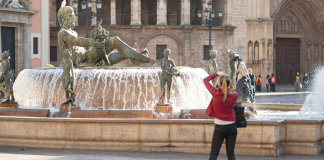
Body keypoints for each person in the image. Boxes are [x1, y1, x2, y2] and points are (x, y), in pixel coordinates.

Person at [204, 72, 238, 160]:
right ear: (230, 84)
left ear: (219, 84)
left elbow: (205, 80)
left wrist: (216, 74)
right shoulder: (235, 95)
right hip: (232, 126)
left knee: (214, 154)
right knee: (231, 155)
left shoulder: (215, 93)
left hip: (220, 127)